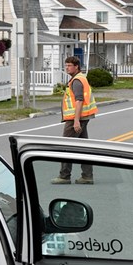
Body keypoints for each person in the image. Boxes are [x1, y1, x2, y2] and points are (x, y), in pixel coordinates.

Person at [51, 56, 98, 184]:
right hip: (83, 117)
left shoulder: (77, 81)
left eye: (69, 65)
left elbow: (79, 101)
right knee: (84, 147)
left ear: (76, 66)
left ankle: (64, 176)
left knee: (66, 146)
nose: (67, 68)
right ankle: (87, 176)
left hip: (76, 119)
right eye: (66, 65)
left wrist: (76, 120)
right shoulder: (80, 78)